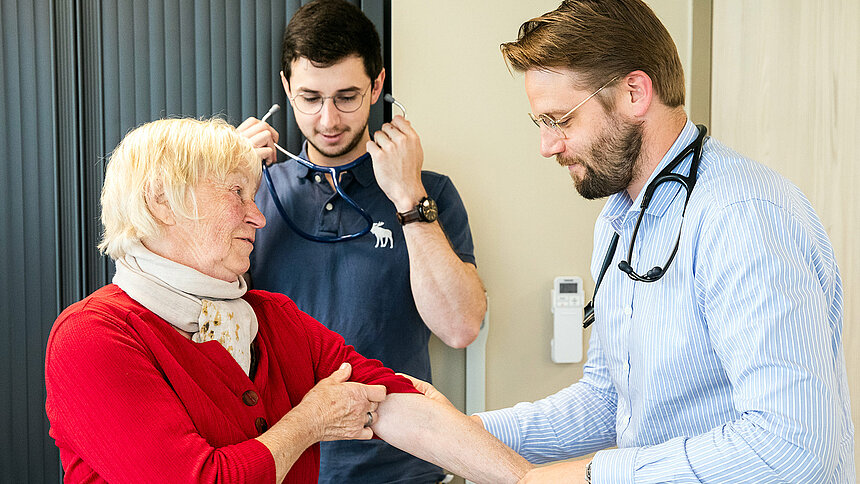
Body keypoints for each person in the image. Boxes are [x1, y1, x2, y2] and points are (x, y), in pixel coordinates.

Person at [415, 1, 856, 483]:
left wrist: (593, 477)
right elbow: (611, 401)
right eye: (541, 123)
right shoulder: (619, 221)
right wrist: (467, 431)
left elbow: (792, 446)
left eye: (560, 119)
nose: (548, 145)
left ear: (634, 92)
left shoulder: (742, 217)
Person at [43, 117, 531, 483]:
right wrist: (307, 423)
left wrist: (527, 479)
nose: (257, 216)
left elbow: (390, 402)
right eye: (237, 193)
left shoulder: (274, 320)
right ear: (161, 202)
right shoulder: (92, 337)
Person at [238, 1, 487, 481]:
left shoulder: (430, 192)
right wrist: (230, 188)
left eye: (347, 97)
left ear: (377, 87)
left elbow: (460, 328)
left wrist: (408, 196)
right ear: (286, 89)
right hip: (282, 461)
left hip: (401, 466)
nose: (328, 119)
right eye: (310, 97)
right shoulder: (258, 190)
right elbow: (200, 322)